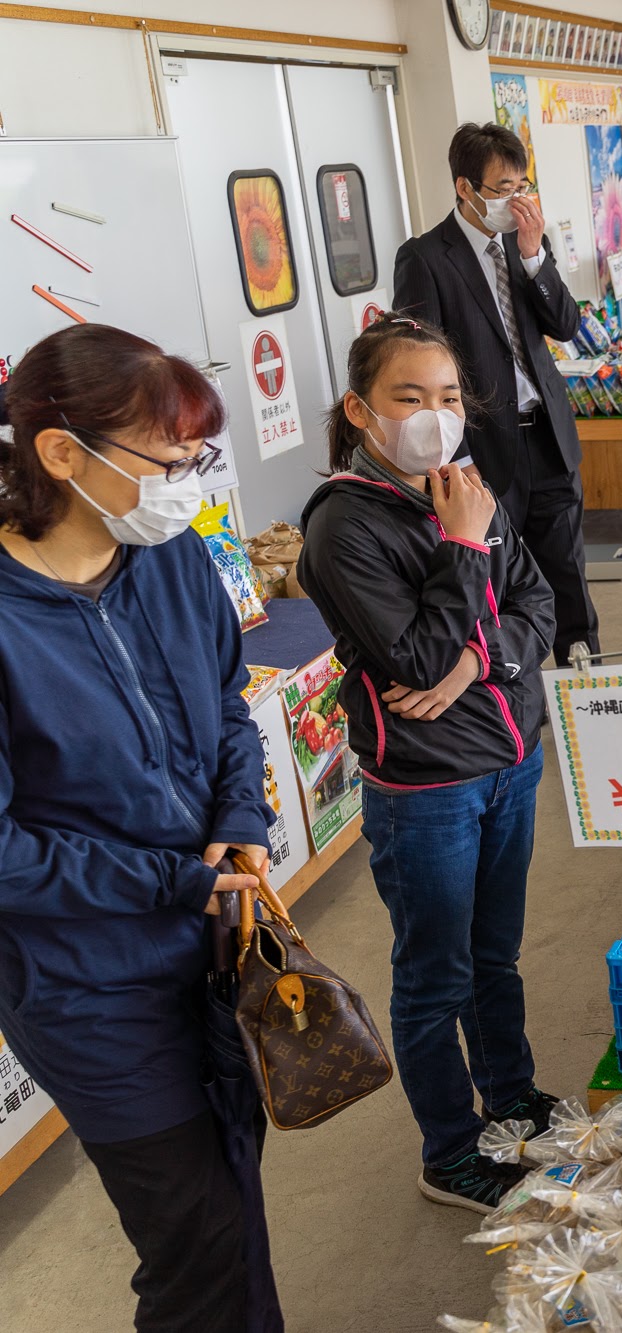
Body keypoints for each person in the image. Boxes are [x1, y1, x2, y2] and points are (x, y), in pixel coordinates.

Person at [0, 325, 279, 1330]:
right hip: (88, 988)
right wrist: (175, 881)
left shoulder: (171, 562)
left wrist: (238, 822)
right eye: (166, 460)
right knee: (194, 1238)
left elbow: (227, 709)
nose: (187, 482)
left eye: (195, 456)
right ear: (61, 454)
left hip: (215, 948)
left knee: (235, 1193)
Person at [296, 315, 560, 1212]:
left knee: (497, 954)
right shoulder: (343, 524)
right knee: (433, 973)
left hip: (508, 757)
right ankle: (449, 1150)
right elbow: (411, 659)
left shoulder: (465, 487)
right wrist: (459, 550)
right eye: (410, 398)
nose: (434, 416)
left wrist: (478, 663)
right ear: (361, 410)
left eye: (448, 397)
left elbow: (536, 601)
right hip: (427, 787)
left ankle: (513, 1098)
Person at [391, 121, 597, 666]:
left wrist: (534, 258)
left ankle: (588, 689)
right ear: (466, 188)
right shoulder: (426, 257)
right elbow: (418, 364)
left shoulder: (528, 242)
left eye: (522, 186)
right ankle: (514, 695)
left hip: (548, 436)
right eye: (503, 189)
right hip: (482, 449)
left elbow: (566, 325)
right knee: (499, 580)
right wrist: (455, 458)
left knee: (568, 573)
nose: (517, 200)